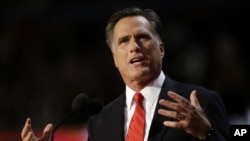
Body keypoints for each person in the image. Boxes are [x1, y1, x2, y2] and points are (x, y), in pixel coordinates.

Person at [21, 7, 229, 141]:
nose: (134, 47)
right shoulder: (100, 122)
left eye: (142, 37)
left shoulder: (201, 102)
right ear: (114, 58)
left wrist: (207, 133)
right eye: (124, 41)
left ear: (161, 49)